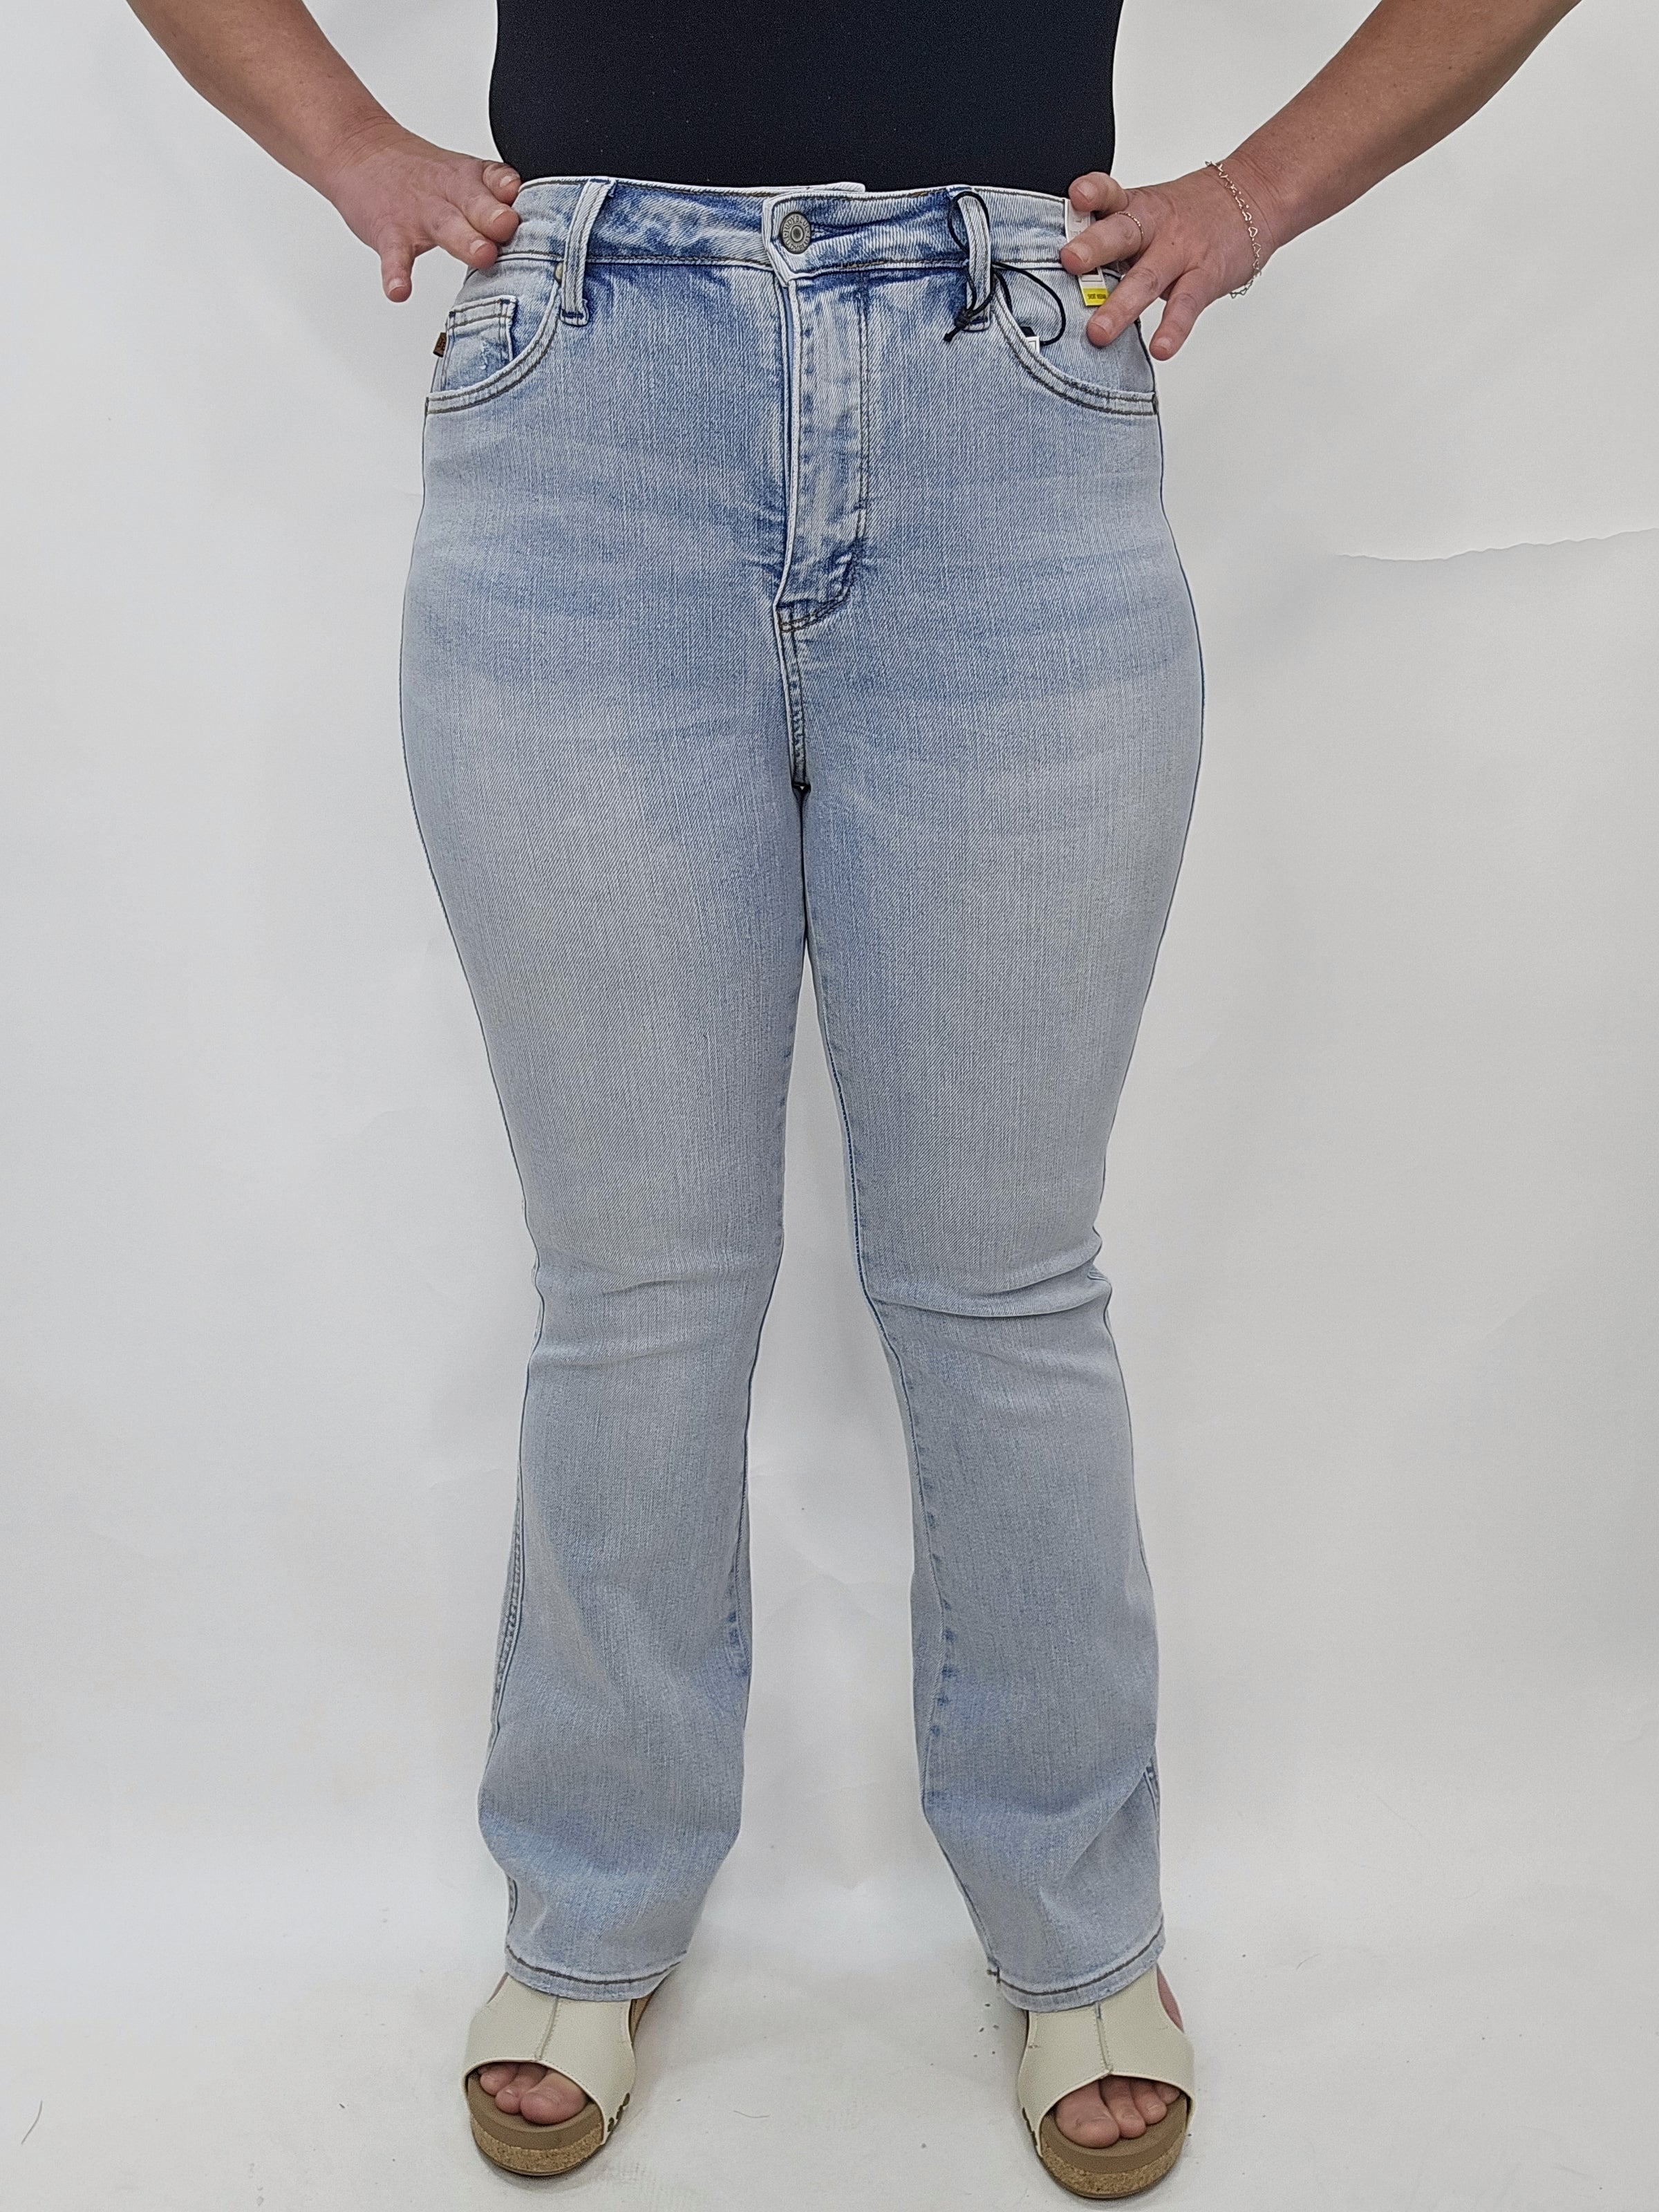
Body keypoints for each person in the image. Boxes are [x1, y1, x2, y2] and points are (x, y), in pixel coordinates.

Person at [125, 0, 1584, 2195]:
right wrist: (346, 141)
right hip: (589, 385)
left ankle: (1079, 1927)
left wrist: (1259, 193)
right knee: (636, 1280)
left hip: (1009, 396)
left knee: (1001, 1284)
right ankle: (590, 1907)